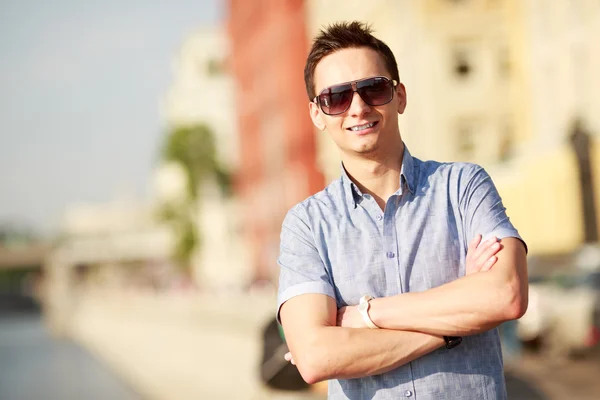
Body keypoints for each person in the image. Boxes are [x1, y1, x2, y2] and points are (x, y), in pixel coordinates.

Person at [276, 21, 528, 400]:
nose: (358, 108)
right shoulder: (306, 225)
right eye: (336, 98)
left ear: (400, 96)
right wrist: (452, 326)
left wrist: (367, 315)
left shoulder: (462, 187)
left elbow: (506, 294)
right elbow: (314, 357)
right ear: (317, 114)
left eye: (373, 88)